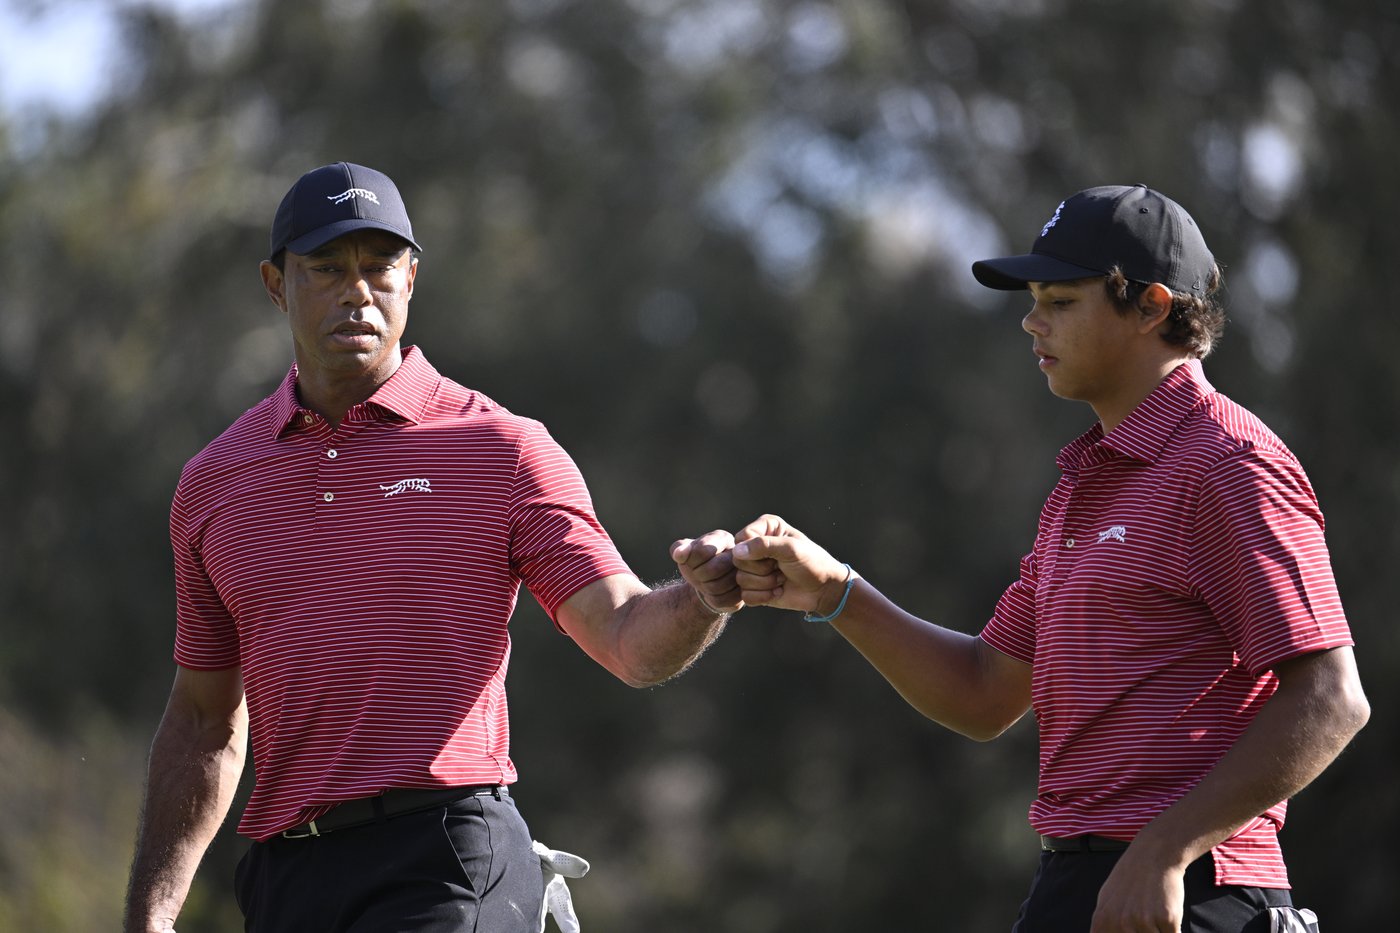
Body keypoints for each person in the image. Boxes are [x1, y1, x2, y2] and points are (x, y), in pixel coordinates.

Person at [723, 185, 1369, 931]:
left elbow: (1330, 696)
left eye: (1061, 301)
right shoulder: (1082, 485)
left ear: (1153, 306)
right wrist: (836, 591)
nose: (1032, 323)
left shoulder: (1228, 463)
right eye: (1034, 299)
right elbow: (985, 691)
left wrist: (1163, 849)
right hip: (1080, 881)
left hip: (1192, 889)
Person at [123, 161, 743, 933]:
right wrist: (151, 912)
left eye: (380, 266)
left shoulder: (503, 450)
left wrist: (702, 597)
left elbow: (626, 636)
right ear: (276, 284)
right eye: (326, 267)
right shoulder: (216, 482)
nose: (358, 291)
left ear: (411, 279)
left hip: (445, 856)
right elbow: (203, 720)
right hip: (287, 877)